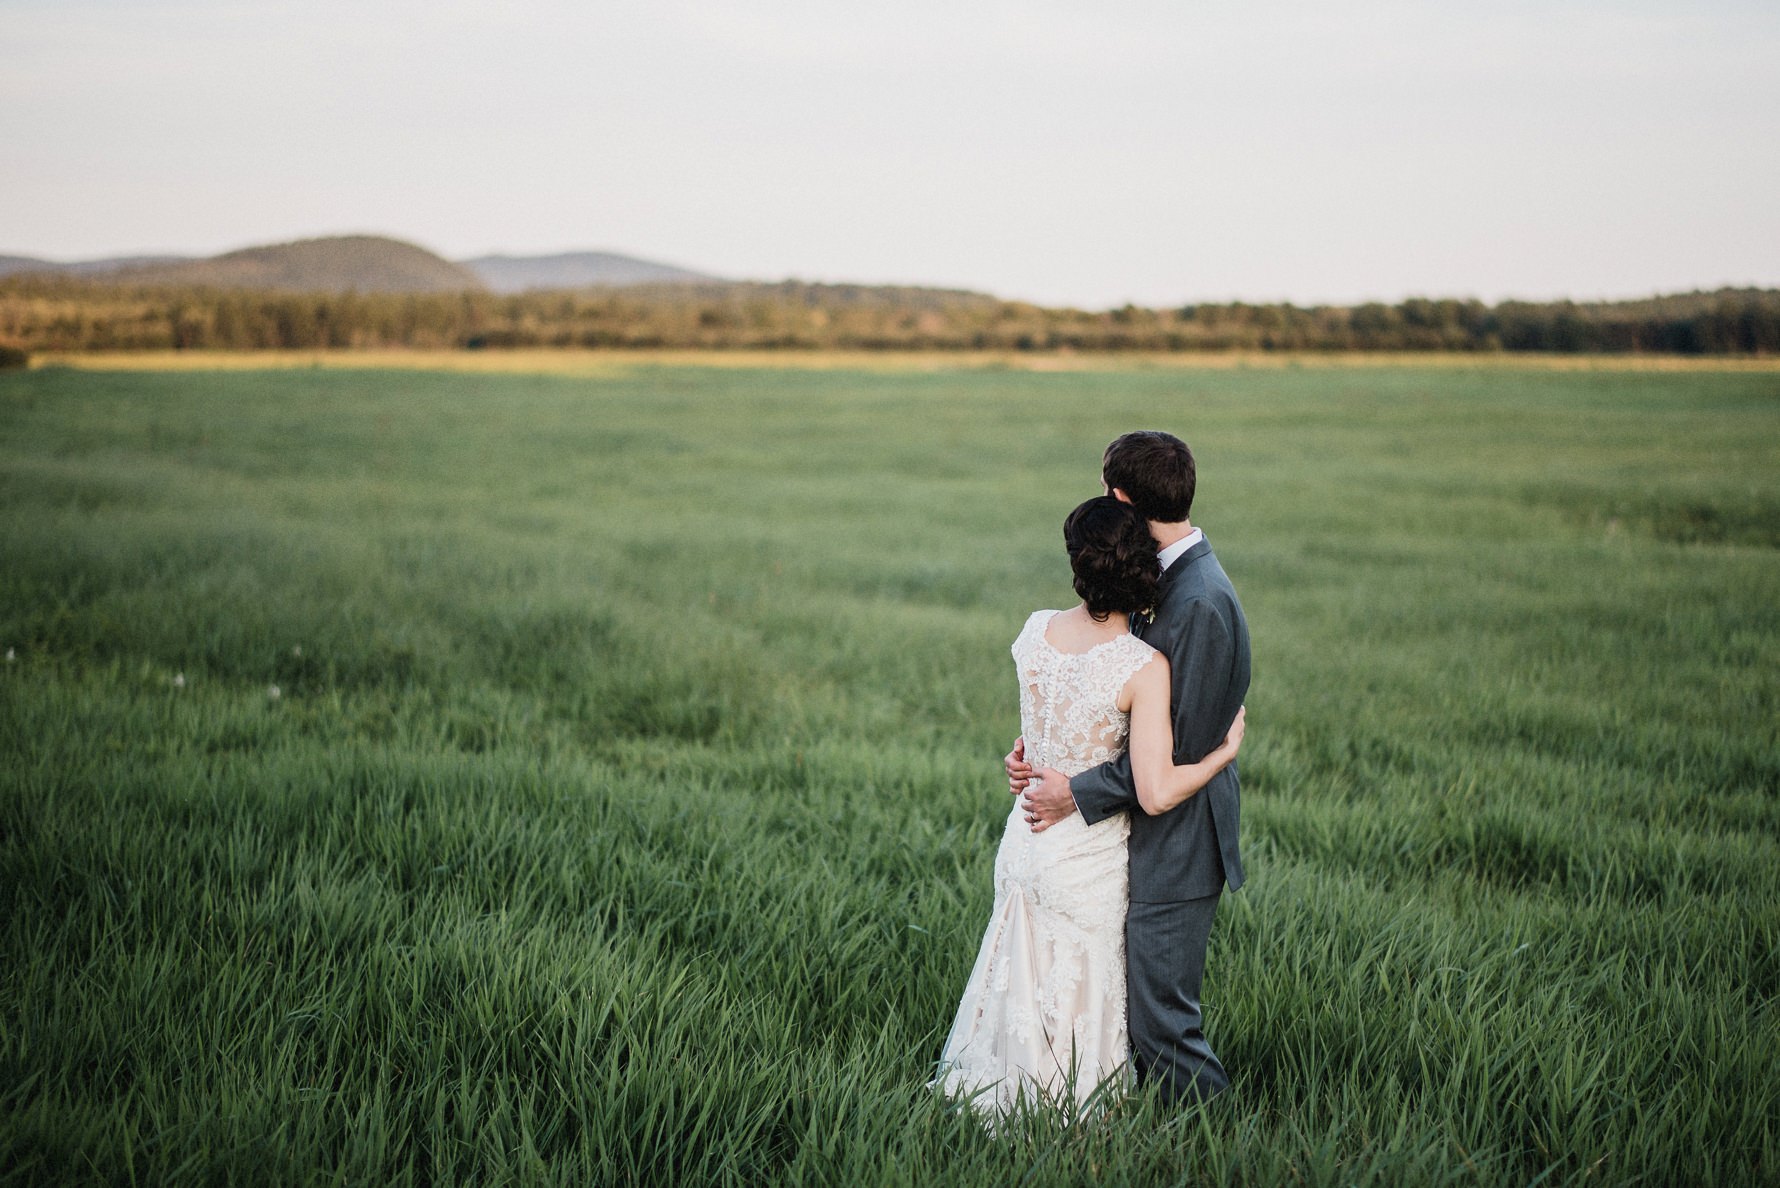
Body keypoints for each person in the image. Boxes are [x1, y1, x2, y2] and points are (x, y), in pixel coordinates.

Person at [932, 493, 1245, 1121]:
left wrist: (1022, 755)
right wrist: (1221, 754)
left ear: (1078, 564)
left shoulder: (1035, 630)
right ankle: (1071, 1111)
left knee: (1019, 972)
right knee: (1079, 985)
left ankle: (997, 1095)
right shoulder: (1142, 666)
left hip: (1027, 836)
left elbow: (1043, 730)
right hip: (1086, 853)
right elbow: (1156, 791)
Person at [1010, 430, 1251, 1107]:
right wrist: (1045, 753)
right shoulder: (1157, 575)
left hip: (1177, 841)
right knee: (1128, 1012)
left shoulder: (1198, 601)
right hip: (1129, 832)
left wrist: (1073, 790)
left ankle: (1214, 1137)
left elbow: (1177, 759)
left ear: (1120, 498)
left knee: (1161, 1025)